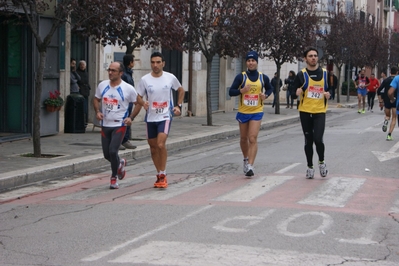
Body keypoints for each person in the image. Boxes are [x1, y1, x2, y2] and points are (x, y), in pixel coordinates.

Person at [133, 52, 185, 188]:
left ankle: (163, 174)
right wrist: (143, 103)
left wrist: (178, 106)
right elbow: (138, 96)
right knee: (153, 147)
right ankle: (159, 173)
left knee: (160, 144)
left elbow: (181, 90)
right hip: (150, 117)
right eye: (153, 62)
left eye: (158, 62)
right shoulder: (145, 79)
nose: (155, 65)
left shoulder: (170, 77)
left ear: (163, 63)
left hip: (165, 116)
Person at [93, 62, 145, 189]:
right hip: (105, 124)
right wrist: (98, 111)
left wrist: (131, 117)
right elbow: (96, 99)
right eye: (109, 70)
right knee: (107, 154)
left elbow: (139, 103)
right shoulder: (102, 85)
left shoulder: (128, 88)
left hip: (119, 124)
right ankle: (120, 163)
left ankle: (114, 177)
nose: (110, 72)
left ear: (120, 73)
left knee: (112, 151)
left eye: (113, 71)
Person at [229, 51, 273, 177]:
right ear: (246, 63)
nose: (251, 63)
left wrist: (265, 95)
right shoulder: (241, 77)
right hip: (243, 112)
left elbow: (270, 88)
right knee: (243, 139)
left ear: (256, 62)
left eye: (253, 61)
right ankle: (245, 158)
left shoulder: (262, 77)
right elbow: (231, 92)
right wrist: (241, 90)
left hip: (257, 111)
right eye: (249, 61)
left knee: (252, 138)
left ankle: (250, 165)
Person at [293, 47, 330, 179]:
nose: (313, 58)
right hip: (305, 112)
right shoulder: (301, 75)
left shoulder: (325, 73)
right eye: (310, 56)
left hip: (320, 112)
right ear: (305, 59)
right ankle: (309, 166)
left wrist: (328, 94)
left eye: (315, 55)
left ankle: (321, 162)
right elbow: (293, 92)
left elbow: (330, 89)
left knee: (318, 139)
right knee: (308, 141)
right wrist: (295, 93)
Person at [119, 54, 137, 150]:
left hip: (129, 101)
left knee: (128, 119)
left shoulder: (129, 73)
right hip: (125, 101)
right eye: (133, 61)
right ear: (130, 63)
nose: (134, 63)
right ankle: (120, 140)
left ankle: (125, 140)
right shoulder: (124, 74)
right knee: (123, 120)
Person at [377, 67, 398, 141]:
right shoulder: (397, 80)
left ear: (390, 72)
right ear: (397, 72)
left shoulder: (386, 80)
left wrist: (380, 101)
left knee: (387, 115)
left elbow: (379, 90)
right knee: (394, 118)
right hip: (395, 100)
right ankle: (389, 134)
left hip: (387, 100)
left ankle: (386, 121)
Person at [77, 60, 91, 126]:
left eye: (83, 65)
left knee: (85, 107)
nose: (82, 66)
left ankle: (85, 121)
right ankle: (81, 121)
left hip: (86, 91)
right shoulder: (77, 72)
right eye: (81, 65)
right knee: (82, 107)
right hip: (80, 91)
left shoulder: (86, 73)